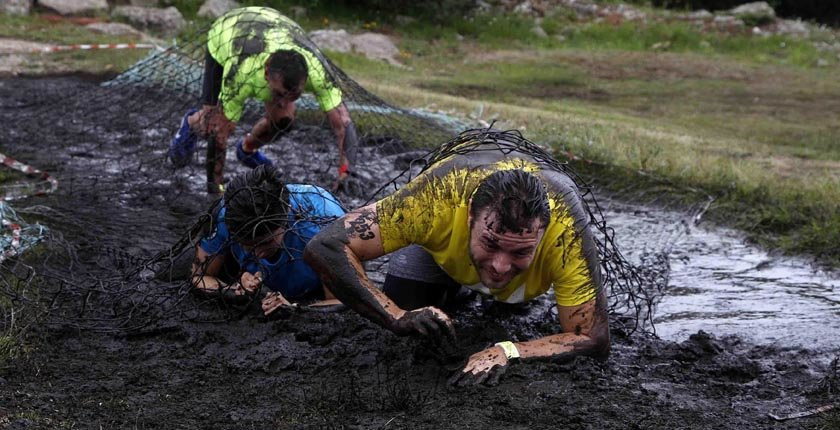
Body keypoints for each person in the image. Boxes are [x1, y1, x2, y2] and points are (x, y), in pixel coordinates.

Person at [304, 129, 609, 386]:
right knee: (411, 326)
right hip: (439, 250)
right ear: (467, 217)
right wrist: (396, 315)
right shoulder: (438, 196)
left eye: (521, 250)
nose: (501, 264)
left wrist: (509, 350)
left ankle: (487, 289)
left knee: (507, 308)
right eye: (491, 244)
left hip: (522, 284)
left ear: (542, 235)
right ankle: (455, 287)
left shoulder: (567, 229)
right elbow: (327, 245)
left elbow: (593, 338)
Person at [169, 6, 359, 195]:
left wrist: (346, 172)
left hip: (274, 28)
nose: (284, 102)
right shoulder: (242, 74)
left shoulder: (318, 73)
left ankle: (247, 150)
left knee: (284, 120)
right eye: (278, 94)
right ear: (266, 74)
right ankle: (191, 122)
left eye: (293, 96)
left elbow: (343, 125)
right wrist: (215, 191)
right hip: (228, 33)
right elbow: (219, 135)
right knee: (211, 124)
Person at [191, 164, 345, 315]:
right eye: (247, 245)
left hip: (317, 279)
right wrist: (233, 291)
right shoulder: (225, 215)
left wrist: (295, 310)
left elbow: (341, 301)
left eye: (265, 243)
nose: (257, 254)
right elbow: (200, 276)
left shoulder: (323, 225)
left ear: (285, 221)